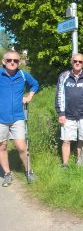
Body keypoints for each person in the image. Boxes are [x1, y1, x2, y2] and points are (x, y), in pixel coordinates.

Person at [0, 50, 39, 187]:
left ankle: (29, 171)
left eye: (16, 60)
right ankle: (7, 174)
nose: (12, 62)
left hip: (18, 117)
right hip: (0, 118)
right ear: (3, 62)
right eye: (9, 60)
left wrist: (29, 96)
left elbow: (35, 84)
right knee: (2, 146)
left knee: (21, 147)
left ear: (19, 62)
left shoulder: (22, 75)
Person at [55, 53, 83, 168]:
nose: (77, 63)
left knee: (82, 139)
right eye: (75, 61)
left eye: (80, 61)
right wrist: (61, 113)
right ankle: (65, 164)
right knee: (66, 140)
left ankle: (80, 162)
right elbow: (59, 95)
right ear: (71, 62)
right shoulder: (64, 76)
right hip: (67, 115)